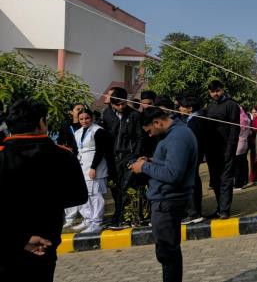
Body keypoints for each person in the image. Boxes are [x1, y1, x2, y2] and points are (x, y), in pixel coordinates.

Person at [0, 99, 88, 282]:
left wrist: (21, 239)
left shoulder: (2, 156)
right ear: (42, 122)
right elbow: (78, 196)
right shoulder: (63, 156)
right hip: (46, 241)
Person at [129, 107, 198, 282]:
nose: (150, 135)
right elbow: (170, 164)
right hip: (165, 199)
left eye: (150, 131)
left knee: (167, 254)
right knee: (169, 252)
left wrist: (144, 167)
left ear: (157, 123)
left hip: (168, 201)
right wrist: (152, 161)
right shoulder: (174, 134)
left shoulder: (178, 137)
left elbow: (173, 174)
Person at [106, 88, 148, 229]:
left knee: (127, 187)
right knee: (117, 189)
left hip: (129, 157)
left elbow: (140, 137)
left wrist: (136, 157)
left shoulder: (135, 115)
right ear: (112, 104)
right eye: (117, 104)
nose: (120, 107)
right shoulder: (107, 115)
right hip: (114, 158)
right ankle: (121, 217)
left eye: (123, 104)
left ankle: (123, 218)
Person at [70, 109, 113, 234]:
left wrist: (94, 167)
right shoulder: (78, 132)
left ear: (92, 118)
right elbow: (76, 150)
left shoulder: (98, 131)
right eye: (81, 119)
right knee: (85, 194)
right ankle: (88, 219)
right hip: (82, 165)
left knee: (95, 195)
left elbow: (100, 151)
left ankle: (97, 222)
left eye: (87, 118)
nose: (84, 121)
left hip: (95, 166)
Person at [204, 80, 240, 219]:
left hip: (227, 149)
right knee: (216, 181)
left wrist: (230, 149)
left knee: (226, 180)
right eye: (213, 92)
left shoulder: (231, 105)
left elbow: (234, 129)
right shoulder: (210, 106)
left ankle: (225, 209)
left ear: (223, 89)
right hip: (212, 151)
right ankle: (219, 207)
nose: (216, 94)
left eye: (218, 91)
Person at [178, 96, 205, 225]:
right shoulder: (190, 119)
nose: (179, 109)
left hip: (192, 156)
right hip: (193, 155)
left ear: (190, 108)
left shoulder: (195, 120)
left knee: (191, 184)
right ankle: (195, 211)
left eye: (182, 106)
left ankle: (193, 213)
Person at [233, 105, 251, 190]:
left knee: (237, 165)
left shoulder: (239, 120)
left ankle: (238, 184)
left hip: (238, 144)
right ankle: (244, 181)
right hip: (245, 142)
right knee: (243, 163)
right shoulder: (246, 119)